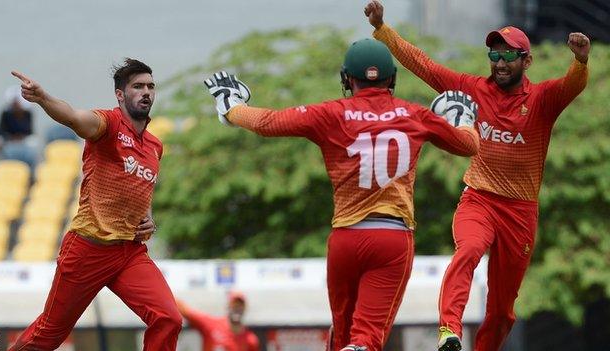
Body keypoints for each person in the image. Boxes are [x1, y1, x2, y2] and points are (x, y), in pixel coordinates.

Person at [204, 38, 480, 351]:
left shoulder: (332, 113)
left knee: (343, 336)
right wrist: (461, 117)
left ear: (348, 79)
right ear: (392, 78)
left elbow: (269, 122)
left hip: (345, 240)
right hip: (391, 240)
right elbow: (468, 145)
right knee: (366, 340)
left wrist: (232, 106)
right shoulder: (415, 114)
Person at [363, 1, 590, 350]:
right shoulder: (473, 89)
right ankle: (449, 331)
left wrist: (580, 61)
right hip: (479, 198)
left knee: (501, 312)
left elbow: (571, 86)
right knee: (468, 250)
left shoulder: (542, 99)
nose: (499, 63)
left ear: (526, 61)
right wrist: (382, 29)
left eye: (508, 56)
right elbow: (425, 66)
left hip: (520, 212)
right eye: (494, 56)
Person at [8, 58, 182, 351]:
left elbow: (141, 187)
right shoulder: (108, 124)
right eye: (138, 86)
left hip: (129, 252)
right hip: (89, 249)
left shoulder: (155, 146)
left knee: (169, 318)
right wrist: (43, 98)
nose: (146, 92)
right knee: (49, 335)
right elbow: (73, 117)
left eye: (151, 86)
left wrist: (148, 217)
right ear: (120, 94)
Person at [177, 291, 260, 351]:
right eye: (234, 305)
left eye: (240, 306)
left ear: (245, 309)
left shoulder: (251, 340)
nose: (237, 309)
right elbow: (185, 310)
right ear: (227, 307)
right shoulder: (212, 325)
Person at [0, 86, 38, 167]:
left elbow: (29, 131)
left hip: (23, 140)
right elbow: (0, 131)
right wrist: (11, 138)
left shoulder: (27, 113)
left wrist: (20, 137)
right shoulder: (5, 114)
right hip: (9, 140)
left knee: (33, 144)